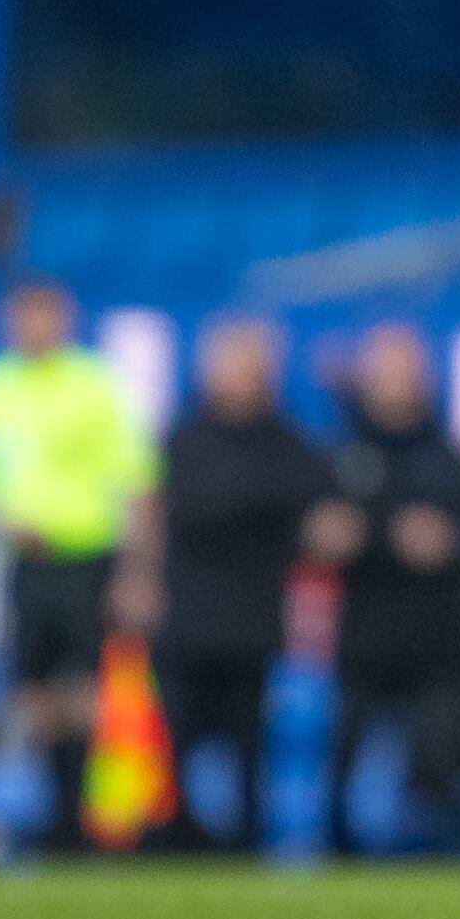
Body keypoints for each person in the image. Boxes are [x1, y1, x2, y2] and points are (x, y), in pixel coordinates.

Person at [0, 277, 156, 855]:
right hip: (23, 562)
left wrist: (138, 570)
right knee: (35, 689)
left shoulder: (94, 386)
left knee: (88, 686)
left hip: (87, 556)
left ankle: (85, 814)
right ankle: (53, 804)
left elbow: (137, 481)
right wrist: (1, 520)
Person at [145, 313, 326, 853]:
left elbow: (318, 521)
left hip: (254, 614)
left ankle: (249, 841)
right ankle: (173, 836)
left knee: (251, 744)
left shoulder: (290, 443)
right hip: (187, 610)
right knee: (175, 738)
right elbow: (161, 513)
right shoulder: (182, 438)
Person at [307, 322, 460, 857]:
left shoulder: (450, 454)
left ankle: (435, 850)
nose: (399, 381)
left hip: (435, 638)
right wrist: (325, 536)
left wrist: (450, 540)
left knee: (436, 766)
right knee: (345, 757)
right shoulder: (343, 450)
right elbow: (312, 530)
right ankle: (336, 849)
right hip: (365, 630)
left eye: (407, 368)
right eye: (387, 368)